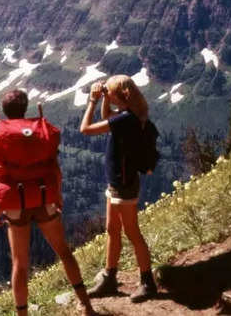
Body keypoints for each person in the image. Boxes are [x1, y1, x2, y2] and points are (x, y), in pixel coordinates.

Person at [0, 89, 98, 316]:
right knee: (64, 251)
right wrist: (57, 195)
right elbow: (55, 169)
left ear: (6, 111)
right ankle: (86, 304)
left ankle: (22, 314)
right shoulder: (40, 131)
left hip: (16, 203)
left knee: (20, 264)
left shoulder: (3, 134)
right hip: (44, 196)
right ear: (25, 107)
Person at [79, 75, 157, 302]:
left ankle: (147, 282)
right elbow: (107, 117)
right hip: (116, 182)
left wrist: (92, 101)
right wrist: (105, 98)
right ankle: (109, 277)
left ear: (120, 96)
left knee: (132, 232)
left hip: (123, 185)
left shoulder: (126, 120)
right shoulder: (129, 115)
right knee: (112, 229)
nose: (107, 95)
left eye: (110, 92)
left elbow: (85, 129)